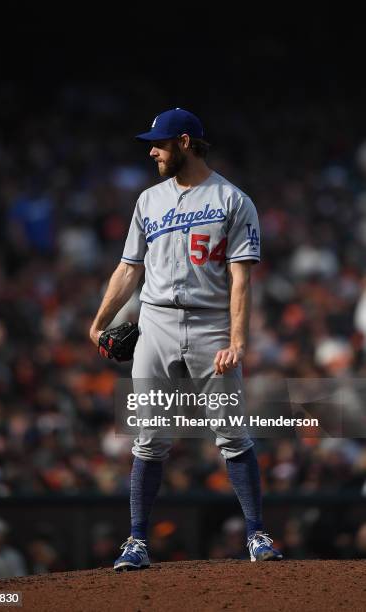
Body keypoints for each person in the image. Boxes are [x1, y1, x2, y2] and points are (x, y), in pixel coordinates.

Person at [90, 108, 283, 568]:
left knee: (232, 434)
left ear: (184, 142)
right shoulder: (148, 201)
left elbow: (241, 279)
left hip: (211, 323)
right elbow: (128, 268)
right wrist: (98, 321)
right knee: (148, 437)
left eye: (158, 143)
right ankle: (137, 541)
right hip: (154, 323)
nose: (152, 151)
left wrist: (237, 340)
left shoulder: (233, 200)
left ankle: (256, 534)